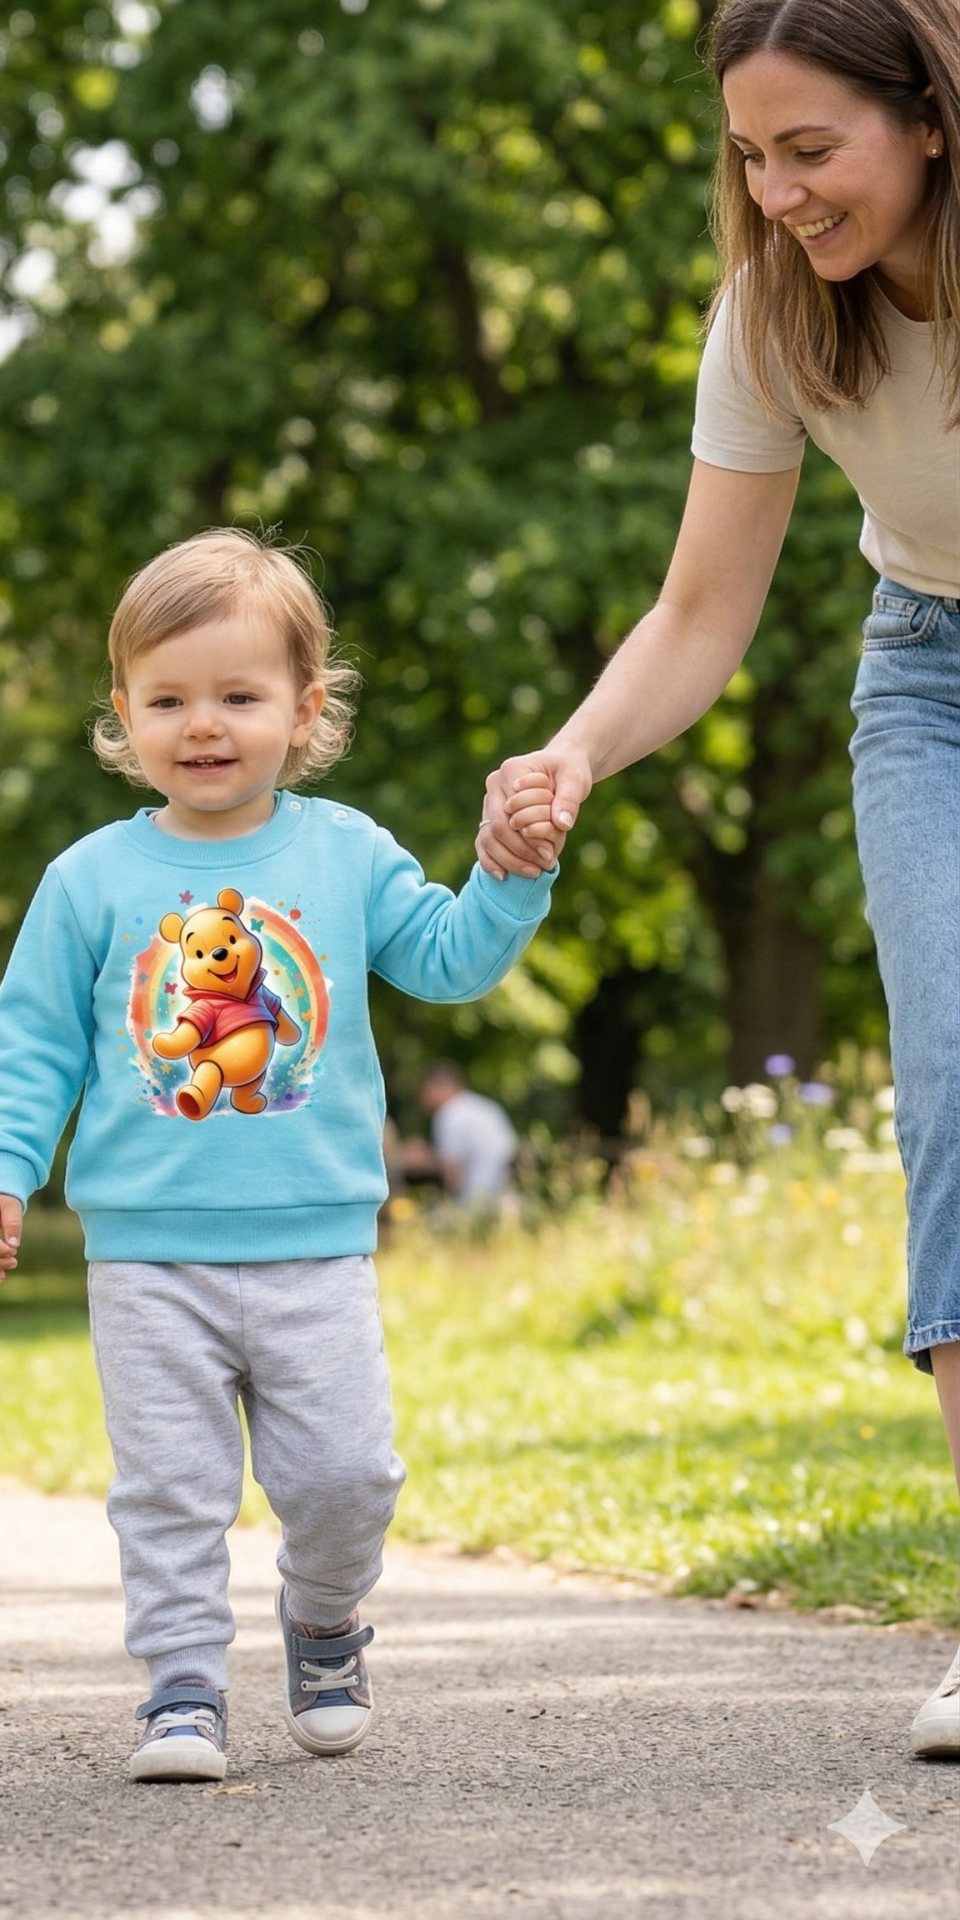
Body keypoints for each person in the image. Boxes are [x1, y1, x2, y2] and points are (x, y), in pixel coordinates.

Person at [476, 0, 959, 1760]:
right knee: (957, 1096)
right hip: (935, 682)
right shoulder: (771, 315)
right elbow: (700, 608)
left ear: (925, 115)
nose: (778, 194)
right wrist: (577, 756)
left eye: (810, 150)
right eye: (751, 158)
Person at [0, 529, 559, 1783]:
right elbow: (30, 1047)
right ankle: (180, 1692)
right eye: (167, 699)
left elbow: (449, 958)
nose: (204, 725)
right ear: (121, 713)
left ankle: (325, 1618)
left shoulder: (341, 852)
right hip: (147, 1258)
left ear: (304, 707)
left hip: (316, 1247)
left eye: (238, 695)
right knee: (171, 1492)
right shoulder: (89, 879)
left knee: (346, 1477)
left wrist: (506, 878)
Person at [419, 1061, 518, 1211]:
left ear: (438, 1088)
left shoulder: (449, 1114)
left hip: (475, 1201)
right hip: (506, 1197)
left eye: (425, 1092)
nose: (423, 1100)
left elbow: (452, 1171)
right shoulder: (487, 1107)